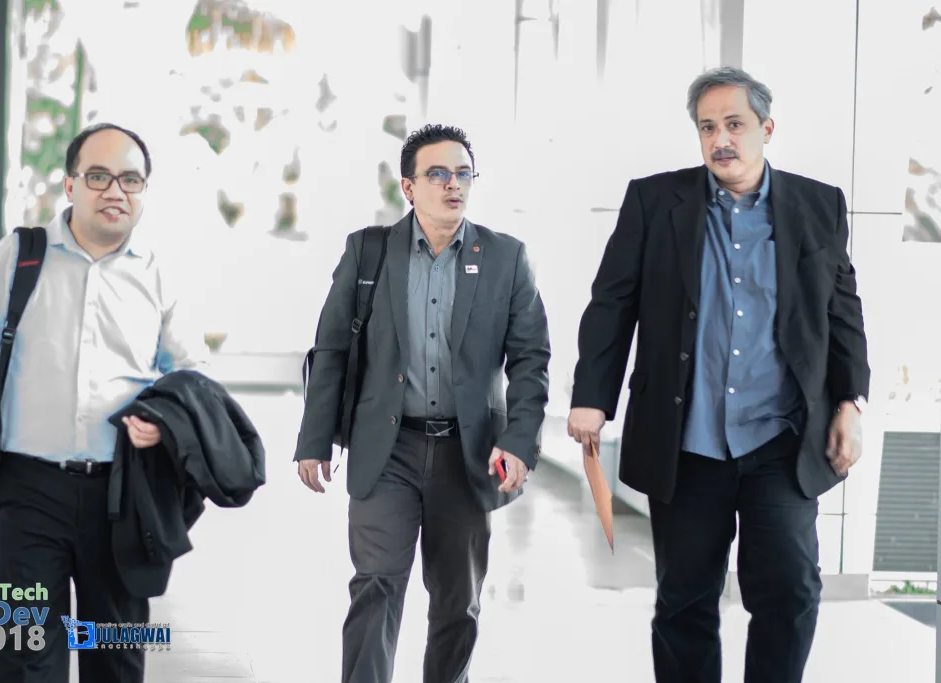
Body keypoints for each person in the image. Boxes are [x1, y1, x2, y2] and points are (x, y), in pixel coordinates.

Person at [567, 66, 870, 683]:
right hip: (688, 441)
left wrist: (850, 403)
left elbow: (843, 312)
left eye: (734, 124)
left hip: (780, 440)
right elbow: (612, 303)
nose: (720, 139)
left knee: (791, 590)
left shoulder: (819, 205)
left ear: (766, 129)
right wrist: (592, 397)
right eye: (708, 127)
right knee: (685, 600)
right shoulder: (655, 202)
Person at [0, 122, 210, 683]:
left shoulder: (157, 273)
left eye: (130, 179)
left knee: (117, 655)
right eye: (99, 176)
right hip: (27, 489)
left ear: (143, 190)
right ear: (70, 185)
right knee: (22, 651)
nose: (116, 191)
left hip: (122, 496)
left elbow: (191, 373)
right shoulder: (21, 254)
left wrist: (165, 422)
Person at [295, 124, 551, 682]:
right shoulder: (368, 251)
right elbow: (332, 348)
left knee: (458, 601)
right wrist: (314, 440)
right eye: (437, 173)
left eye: (462, 173)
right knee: (375, 585)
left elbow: (531, 359)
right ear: (408, 187)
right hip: (387, 448)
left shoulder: (506, 257)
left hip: (467, 453)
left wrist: (519, 441)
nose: (452, 184)